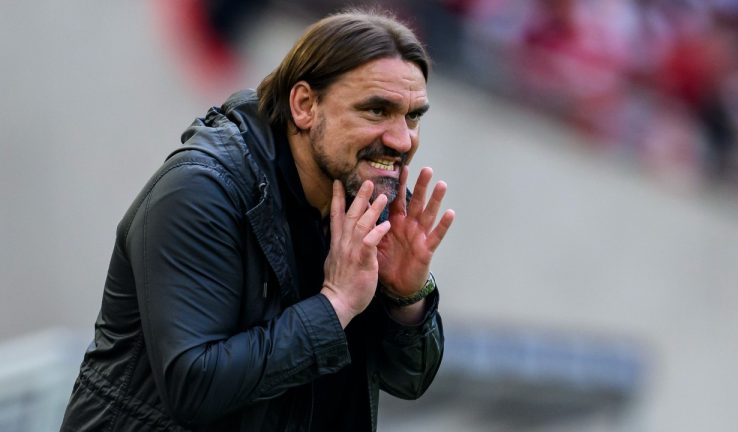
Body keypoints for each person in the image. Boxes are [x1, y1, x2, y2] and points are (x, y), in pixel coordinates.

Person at [60, 8, 454, 432]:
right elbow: (193, 386)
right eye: (377, 111)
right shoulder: (200, 193)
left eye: (413, 116)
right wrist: (335, 304)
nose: (402, 140)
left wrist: (406, 299)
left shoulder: (364, 195)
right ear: (304, 105)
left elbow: (408, 381)